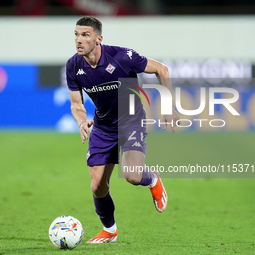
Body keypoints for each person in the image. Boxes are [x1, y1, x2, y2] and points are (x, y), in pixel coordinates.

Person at [66, 16, 179, 244]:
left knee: (132, 175)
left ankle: (153, 180)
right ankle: (110, 230)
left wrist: (168, 106)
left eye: (85, 35)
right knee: (97, 186)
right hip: (102, 127)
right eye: (76, 35)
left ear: (98, 39)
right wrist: (81, 120)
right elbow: (77, 104)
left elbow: (162, 69)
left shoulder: (122, 56)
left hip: (132, 122)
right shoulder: (73, 66)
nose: (79, 40)